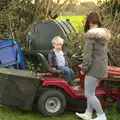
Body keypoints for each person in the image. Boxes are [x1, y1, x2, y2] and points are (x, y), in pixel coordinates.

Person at [75, 11, 111, 120]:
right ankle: (88, 113)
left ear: (88, 23)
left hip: (93, 69)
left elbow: (88, 56)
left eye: (91, 23)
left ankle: (101, 115)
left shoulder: (90, 36)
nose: (91, 25)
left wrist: (84, 69)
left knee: (89, 94)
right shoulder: (103, 36)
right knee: (91, 92)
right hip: (101, 68)